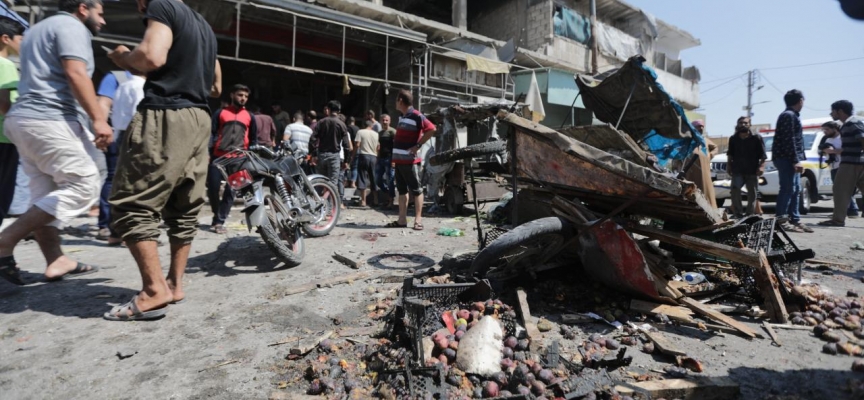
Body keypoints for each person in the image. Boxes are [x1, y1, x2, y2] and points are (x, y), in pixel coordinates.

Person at [104, 0, 221, 320]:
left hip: (166, 115)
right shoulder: (204, 28)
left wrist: (122, 57)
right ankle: (174, 284)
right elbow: (216, 86)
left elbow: (152, 56)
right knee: (184, 206)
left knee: (131, 203)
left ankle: (154, 290)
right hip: (199, 118)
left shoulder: (162, 7)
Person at [0, 0, 111, 286]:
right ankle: (5, 240)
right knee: (85, 185)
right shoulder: (70, 26)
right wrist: (98, 119)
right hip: (50, 118)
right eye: (101, 13)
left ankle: (56, 260)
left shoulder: (36, 30)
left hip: (23, 118)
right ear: (83, 8)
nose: (104, 21)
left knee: (44, 196)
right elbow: (74, 72)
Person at [208, 84, 257, 234]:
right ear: (232, 95)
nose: (243, 98)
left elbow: (253, 139)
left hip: (239, 158)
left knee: (232, 191)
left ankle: (219, 221)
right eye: (240, 95)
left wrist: (251, 154)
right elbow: (212, 133)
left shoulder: (250, 116)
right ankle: (217, 214)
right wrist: (208, 152)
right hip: (218, 157)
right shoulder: (221, 112)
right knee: (213, 189)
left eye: (246, 96)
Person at [386, 89, 436, 231]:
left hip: (410, 161)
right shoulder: (402, 117)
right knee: (401, 190)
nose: (395, 103)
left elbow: (432, 129)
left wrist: (418, 145)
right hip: (399, 161)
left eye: (396, 100)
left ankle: (418, 220)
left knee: (417, 190)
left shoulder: (416, 115)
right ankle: (402, 219)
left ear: (400, 101)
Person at [771, 90, 813, 233]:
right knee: (788, 189)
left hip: (789, 158)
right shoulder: (788, 116)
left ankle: (795, 220)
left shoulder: (791, 116)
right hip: (786, 158)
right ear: (800, 100)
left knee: (795, 189)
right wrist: (795, 160)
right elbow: (789, 140)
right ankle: (781, 221)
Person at [819, 100, 864, 227]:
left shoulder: (852, 123)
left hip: (851, 164)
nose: (831, 114)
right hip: (856, 162)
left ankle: (838, 220)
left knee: (840, 190)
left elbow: (862, 138)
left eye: (832, 111)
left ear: (840, 111)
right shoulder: (849, 123)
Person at [0, 17, 24, 228]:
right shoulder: (5, 64)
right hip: (4, 138)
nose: (22, 43)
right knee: (2, 194)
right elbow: (3, 102)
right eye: (20, 38)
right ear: (6, 39)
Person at [310, 100, 352, 208]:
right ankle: (328, 208)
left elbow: (312, 139)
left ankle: (317, 207)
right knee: (332, 184)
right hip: (334, 157)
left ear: (328, 109)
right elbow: (347, 146)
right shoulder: (341, 124)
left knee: (320, 182)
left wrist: (314, 154)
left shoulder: (321, 122)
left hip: (321, 155)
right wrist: (346, 161)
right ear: (339, 111)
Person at [726, 117, 766, 218]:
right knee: (735, 190)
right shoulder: (733, 139)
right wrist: (729, 166)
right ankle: (738, 213)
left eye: (745, 123)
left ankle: (749, 214)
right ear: (737, 124)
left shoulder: (756, 138)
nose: (743, 125)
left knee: (752, 192)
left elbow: (763, 155)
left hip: (752, 170)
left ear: (750, 125)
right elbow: (730, 154)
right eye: (741, 123)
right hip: (737, 169)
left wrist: (761, 167)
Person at [353, 120, 379, 207]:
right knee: (373, 177)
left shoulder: (360, 132)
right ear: (372, 126)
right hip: (373, 156)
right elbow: (378, 147)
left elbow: (357, 145)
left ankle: (363, 201)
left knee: (362, 177)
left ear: (364, 125)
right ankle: (375, 200)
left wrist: (353, 155)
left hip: (363, 155)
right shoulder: (376, 134)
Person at [375, 114, 396, 209]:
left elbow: (396, 146)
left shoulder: (393, 132)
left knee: (390, 180)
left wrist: (394, 160)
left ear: (389, 121)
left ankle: (391, 201)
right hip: (381, 158)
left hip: (389, 158)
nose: (385, 122)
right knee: (377, 179)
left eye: (386, 120)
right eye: (383, 120)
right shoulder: (379, 133)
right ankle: (388, 193)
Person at [346, 116, 360, 189]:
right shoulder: (358, 129)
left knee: (348, 166)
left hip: (350, 149)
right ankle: (353, 183)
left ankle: (347, 182)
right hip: (357, 148)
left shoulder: (348, 128)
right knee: (355, 167)